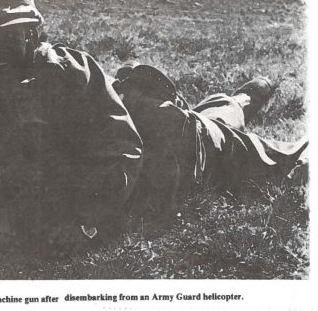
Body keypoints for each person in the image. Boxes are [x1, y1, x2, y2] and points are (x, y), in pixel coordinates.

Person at [0, 0, 144, 249]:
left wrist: (85, 220)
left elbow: (121, 151)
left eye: (4, 35)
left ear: (30, 32)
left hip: (141, 152)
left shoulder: (71, 74)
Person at [112, 62, 308, 214]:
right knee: (205, 130)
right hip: (164, 155)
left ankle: (239, 102)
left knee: (198, 127)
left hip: (167, 133)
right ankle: (240, 102)